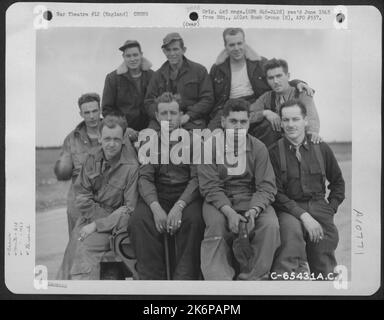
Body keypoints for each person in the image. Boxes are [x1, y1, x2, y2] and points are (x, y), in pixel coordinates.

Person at [198, 98, 280, 280]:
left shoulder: (259, 148)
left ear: (249, 123)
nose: (238, 127)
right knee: (217, 225)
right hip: (219, 200)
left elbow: (266, 186)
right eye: (233, 121)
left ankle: (253, 278)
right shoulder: (209, 147)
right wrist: (229, 213)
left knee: (270, 224)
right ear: (223, 122)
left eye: (243, 122)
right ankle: (220, 282)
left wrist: (254, 210)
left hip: (251, 198)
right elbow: (210, 186)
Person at [129, 92, 204, 280]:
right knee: (138, 221)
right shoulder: (150, 141)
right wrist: (155, 207)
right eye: (164, 114)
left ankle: (184, 280)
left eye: (173, 113)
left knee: (195, 221)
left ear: (180, 115)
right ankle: (153, 281)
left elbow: (196, 179)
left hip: (186, 195)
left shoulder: (194, 140)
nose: (169, 119)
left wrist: (179, 206)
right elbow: (145, 178)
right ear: (156, 116)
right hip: (158, 194)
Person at [269, 100, 345, 279]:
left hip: (319, 207)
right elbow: (276, 193)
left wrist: (330, 209)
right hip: (289, 209)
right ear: (281, 122)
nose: (290, 125)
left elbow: (338, 183)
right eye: (286, 120)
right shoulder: (273, 152)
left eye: (295, 119)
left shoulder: (321, 148)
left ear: (305, 121)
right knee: (289, 246)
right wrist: (303, 216)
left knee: (325, 264)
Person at [56, 116, 139, 280]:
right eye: (107, 138)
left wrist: (98, 225)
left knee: (84, 248)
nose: (111, 143)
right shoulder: (91, 159)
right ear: (100, 138)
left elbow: (130, 208)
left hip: (117, 225)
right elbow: (81, 196)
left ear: (123, 139)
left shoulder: (131, 167)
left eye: (116, 139)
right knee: (70, 258)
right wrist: (95, 221)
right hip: (90, 219)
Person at [208, 28, 313, 144]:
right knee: (209, 134)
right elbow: (209, 95)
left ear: (244, 42)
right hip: (226, 105)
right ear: (225, 46)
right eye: (232, 45)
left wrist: (297, 82)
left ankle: (261, 157)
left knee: (271, 126)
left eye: (239, 43)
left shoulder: (260, 62)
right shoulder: (217, 68)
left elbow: (277, 77)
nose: (237, 48)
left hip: (254, 102)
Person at [144, 33, 214, 130]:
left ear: (183, 50)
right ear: (164, 51)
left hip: (191, 120)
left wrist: (188, 116)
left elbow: (207, 99)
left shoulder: (199, 71)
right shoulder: (157, 75)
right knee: (149, 138)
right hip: (163, 121)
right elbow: (149, 102)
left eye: (175, 49)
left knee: (194, 142)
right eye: (168, 50)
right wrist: (161, 117)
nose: (172, 53)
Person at [54, 93, 102, 233]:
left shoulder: (112, 131)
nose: (92, 116)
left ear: (100, 110)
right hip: (79, 198)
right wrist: (62, 169)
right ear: (81, 114)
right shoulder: (71, 139)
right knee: (77, 244)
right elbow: (62, 174)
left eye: (94, 111)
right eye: (87, 112)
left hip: (108, 196)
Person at [249, 58, 321, 146]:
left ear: (288, 76)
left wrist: (312, 132)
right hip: (276, 146)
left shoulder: (301, 92)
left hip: (298, 142)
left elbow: (311, 117)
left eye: (279, 76)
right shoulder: (267, 97)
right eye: (271, 78)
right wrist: (265, 113)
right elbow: (247, 115)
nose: (275, 81)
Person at [102, 40, 155, 141]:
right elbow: (107, 109)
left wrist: (151, 129)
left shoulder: (153, 76)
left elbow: (159, 106)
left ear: (141, 55)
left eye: (135, 55)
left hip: (151, 131)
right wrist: (124, 128)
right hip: (124, 132)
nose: (132, 59)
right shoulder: (112, 78)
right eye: (128, 56)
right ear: (123, 57)